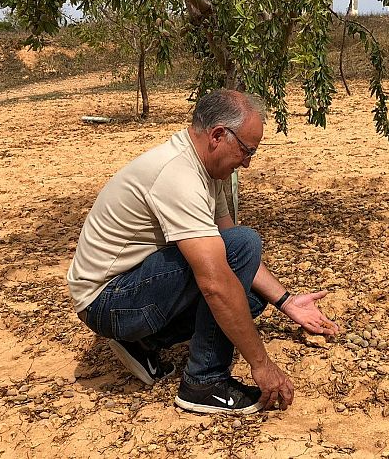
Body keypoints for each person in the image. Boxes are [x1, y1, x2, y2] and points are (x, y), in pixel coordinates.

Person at [67, 89, 339, 415]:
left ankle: (142, 341)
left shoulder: (209, 171)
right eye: (247, 150)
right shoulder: (177, 175)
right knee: (241, 252)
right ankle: (204, 382)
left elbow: (231, 250)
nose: (248, 163)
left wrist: (286, 302)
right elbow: (222, 270)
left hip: (128, 290)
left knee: (250, 297)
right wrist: (262, 364)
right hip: (106, 301)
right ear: (218, 135)